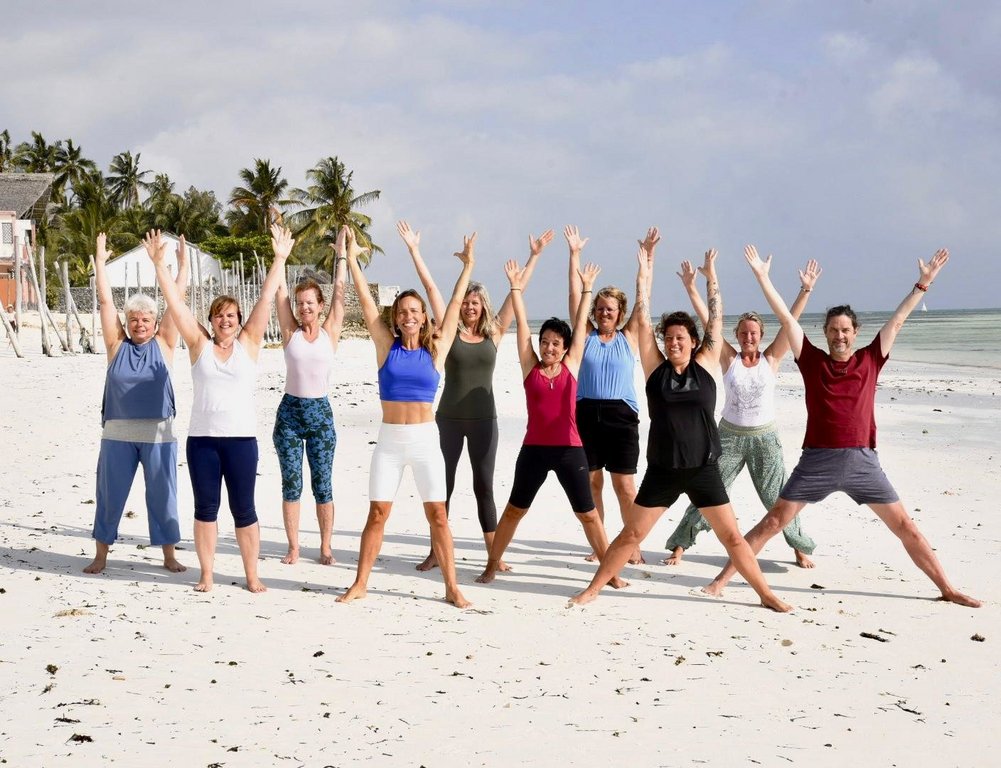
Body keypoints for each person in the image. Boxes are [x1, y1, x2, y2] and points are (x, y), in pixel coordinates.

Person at [702, 246, 980, 608]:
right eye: (833, 330)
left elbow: (897, 320)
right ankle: (721, 580)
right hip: (816, 462)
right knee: (773, 522)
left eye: (845, 330)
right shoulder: (812, 361)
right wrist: (763, 278)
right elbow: (786, 319)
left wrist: (923, 284)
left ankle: (947, 588)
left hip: (863, 462)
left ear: (855, 332)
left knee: (905, 527)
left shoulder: (871, 359)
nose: (839, 335)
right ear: (826, 332)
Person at [569, 246, 792, 611]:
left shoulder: (705, 363)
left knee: (733, 538)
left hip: (704, 469)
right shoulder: (654, 368)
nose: (673, 342)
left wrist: (711, 277)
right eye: (669, 337)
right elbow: (642, 316)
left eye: (680, 337)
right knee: (632, 533)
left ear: (693, 341)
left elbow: (716, 319)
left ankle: (766, 595)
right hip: (663, 469)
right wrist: (645, 271)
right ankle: (593, 588)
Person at [402, 222, 554, 571]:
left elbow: (516, 292)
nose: (470, 307)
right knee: (442, 487)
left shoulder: (495, 332)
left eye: (475, 302)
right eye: (466, 302)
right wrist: (414, 250)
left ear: (483, 306)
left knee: (484, 486)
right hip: (448, 420)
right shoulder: (447, 330)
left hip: (485, 420)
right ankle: (435, 552)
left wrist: (533, 256)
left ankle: (493, 555)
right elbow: (430, 287)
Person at [336, 227, 475, 609]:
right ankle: (361, 583)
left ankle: (452, 587)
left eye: (415, 311)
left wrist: (467, 267)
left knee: (439, 516)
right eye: (402, 312)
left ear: (424, 317)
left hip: (426, 441)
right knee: (377, 513)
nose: (408, 316)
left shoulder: (437, 348)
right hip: (390, 442)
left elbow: (455, 303)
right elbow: (366, 301)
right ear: (395, 319)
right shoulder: (386, 346)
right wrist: (352, 258)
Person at [150, 226, 289, 593]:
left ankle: (252, 575)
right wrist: (161, 265)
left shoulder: (249, 343)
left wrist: (279, 258)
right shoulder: (199, 344)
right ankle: (207, 574)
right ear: (210, 321)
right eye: (218, 316)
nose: (225, 321)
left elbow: (266, 297)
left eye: (231, 316)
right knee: (205, 509)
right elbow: (176, 306)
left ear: (239, 319)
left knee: (244, 509)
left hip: (241, 441)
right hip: (203, 442)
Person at [475, 257, 626, 590]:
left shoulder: (571, 365)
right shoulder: (530, 367)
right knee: (514, 511)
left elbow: (581, 324)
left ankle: (610, 573)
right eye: (545, 341)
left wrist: (587, 289)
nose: (549, 347)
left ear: (566, 347)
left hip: (570, 449)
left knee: (588, 515)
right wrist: (515, 288)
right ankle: (491, 565)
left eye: (556, 343)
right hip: (534, 450)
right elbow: (522, 325)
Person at [663, 257, 822, 567]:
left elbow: (790, 322)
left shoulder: (772, 358)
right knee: (708, 491)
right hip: (729, 437)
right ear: (736, 335)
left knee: (777, 496)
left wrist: (805, 290)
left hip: (765, 438)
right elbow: (709, 320)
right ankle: (680, 544)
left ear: (760, 336)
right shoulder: (728, 358)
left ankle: (799, 546)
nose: (749, 338)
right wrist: (692, 287)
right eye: (744, 333)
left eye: (754, 333)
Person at [84, 232, 188, 575]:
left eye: (145, 319)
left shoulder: (165, 343)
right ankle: (101, 555)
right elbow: (105, 302)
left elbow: (176, 302)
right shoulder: (117, 346)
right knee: (109, 496)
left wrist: (181, 268)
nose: (139, 324)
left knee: (163, 497)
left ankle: (169, 555)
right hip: (118, 435)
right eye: (134, 319)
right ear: (127, 324)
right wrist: (101, 262)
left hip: (159, 436)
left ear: (155, 324)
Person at [565, 225, 659, 564]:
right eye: (601, 308)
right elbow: (575, 298)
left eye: (611, 309)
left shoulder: (629, 336)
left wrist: (648, 258)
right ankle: (601, 545)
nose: (605, 313)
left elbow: (644, 297)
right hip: (586, 415)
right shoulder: (585, 335)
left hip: (621, 418)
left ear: (620, 313)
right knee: (593, 484)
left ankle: (631, 544)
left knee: (625, 487)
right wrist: (574, 255)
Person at [273, 225, 347, 566]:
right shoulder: (290, 331)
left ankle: (326, 546)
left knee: (322, 483)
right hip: (289, 415)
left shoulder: (331, 331)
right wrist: (280, 256)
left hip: (320, 415)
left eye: (309, 303)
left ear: (320, 306)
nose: (304, 307)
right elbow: (279, 293)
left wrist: (342, 255)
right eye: (300, 303)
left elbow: (341, 294)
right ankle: (293, 547)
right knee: (291, 483)